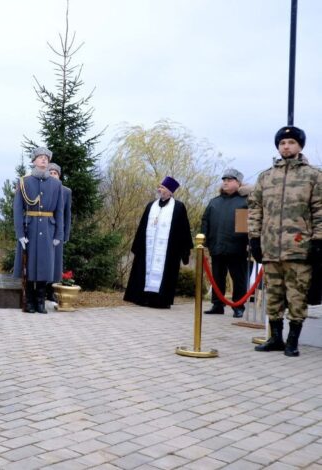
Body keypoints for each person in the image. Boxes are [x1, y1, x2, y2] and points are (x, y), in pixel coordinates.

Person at [249, 126, 321, 357]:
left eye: (290, 142)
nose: (286, 146)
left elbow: (319, 210)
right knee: (273, 295)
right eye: (282, 143)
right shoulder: (266, 177)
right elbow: (255, 209)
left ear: (300, 146)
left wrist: (318, 240)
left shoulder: (313, 176)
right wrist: (254, 238)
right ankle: (275, 338)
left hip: (299, 247)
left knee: (297, 296)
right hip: (270, 248)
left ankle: (293, 341)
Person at [124, 176, 193, 309]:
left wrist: (185, 250)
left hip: (168, 250)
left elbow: (183, 229)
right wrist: (137, 245)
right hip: (149, 248)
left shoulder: (178, 207)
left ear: (170, 191)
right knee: (144, 270)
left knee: (165, 273)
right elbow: (142, 227)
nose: (159, 189)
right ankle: (143, 298)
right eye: (159, 187)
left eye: (162, 187)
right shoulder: (151, 205)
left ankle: (160, 301)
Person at [13, 147, 65, 313]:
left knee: (45, 265)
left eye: (46, 158)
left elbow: (59, 211)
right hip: (30, 228)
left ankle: (40, 302)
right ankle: (29, 302)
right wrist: (20, 234)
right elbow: (17, 209)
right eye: (40, 157)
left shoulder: (56, 184)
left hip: (48, 229)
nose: (44, 160)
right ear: (34, 161)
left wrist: (58, 234)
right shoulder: (24, 182)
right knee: (29, 265)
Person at [201, 168, 248, 318]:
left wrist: (248, 243)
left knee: (238, 279)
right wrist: (205, 240)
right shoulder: (214, 202)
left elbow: (246, 227)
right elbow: (205, 222)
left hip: (237, 248)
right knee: (217, 277)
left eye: (230, 180)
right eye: (224, 180)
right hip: (217, 246)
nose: (225, 182)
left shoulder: (244, 202)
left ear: (238, 183)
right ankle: (217, 304)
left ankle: (238, 306)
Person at [47, 162, 72, 303]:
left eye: (55, 173)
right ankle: (41, 290)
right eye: (50, 173)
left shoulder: (66, 191)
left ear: (59, 175)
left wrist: (65, 234)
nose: (52, 175)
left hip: (58, 232)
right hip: (45, 230)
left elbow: (67, 215)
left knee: (56, 263)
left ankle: (52, 291)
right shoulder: (42, 188)